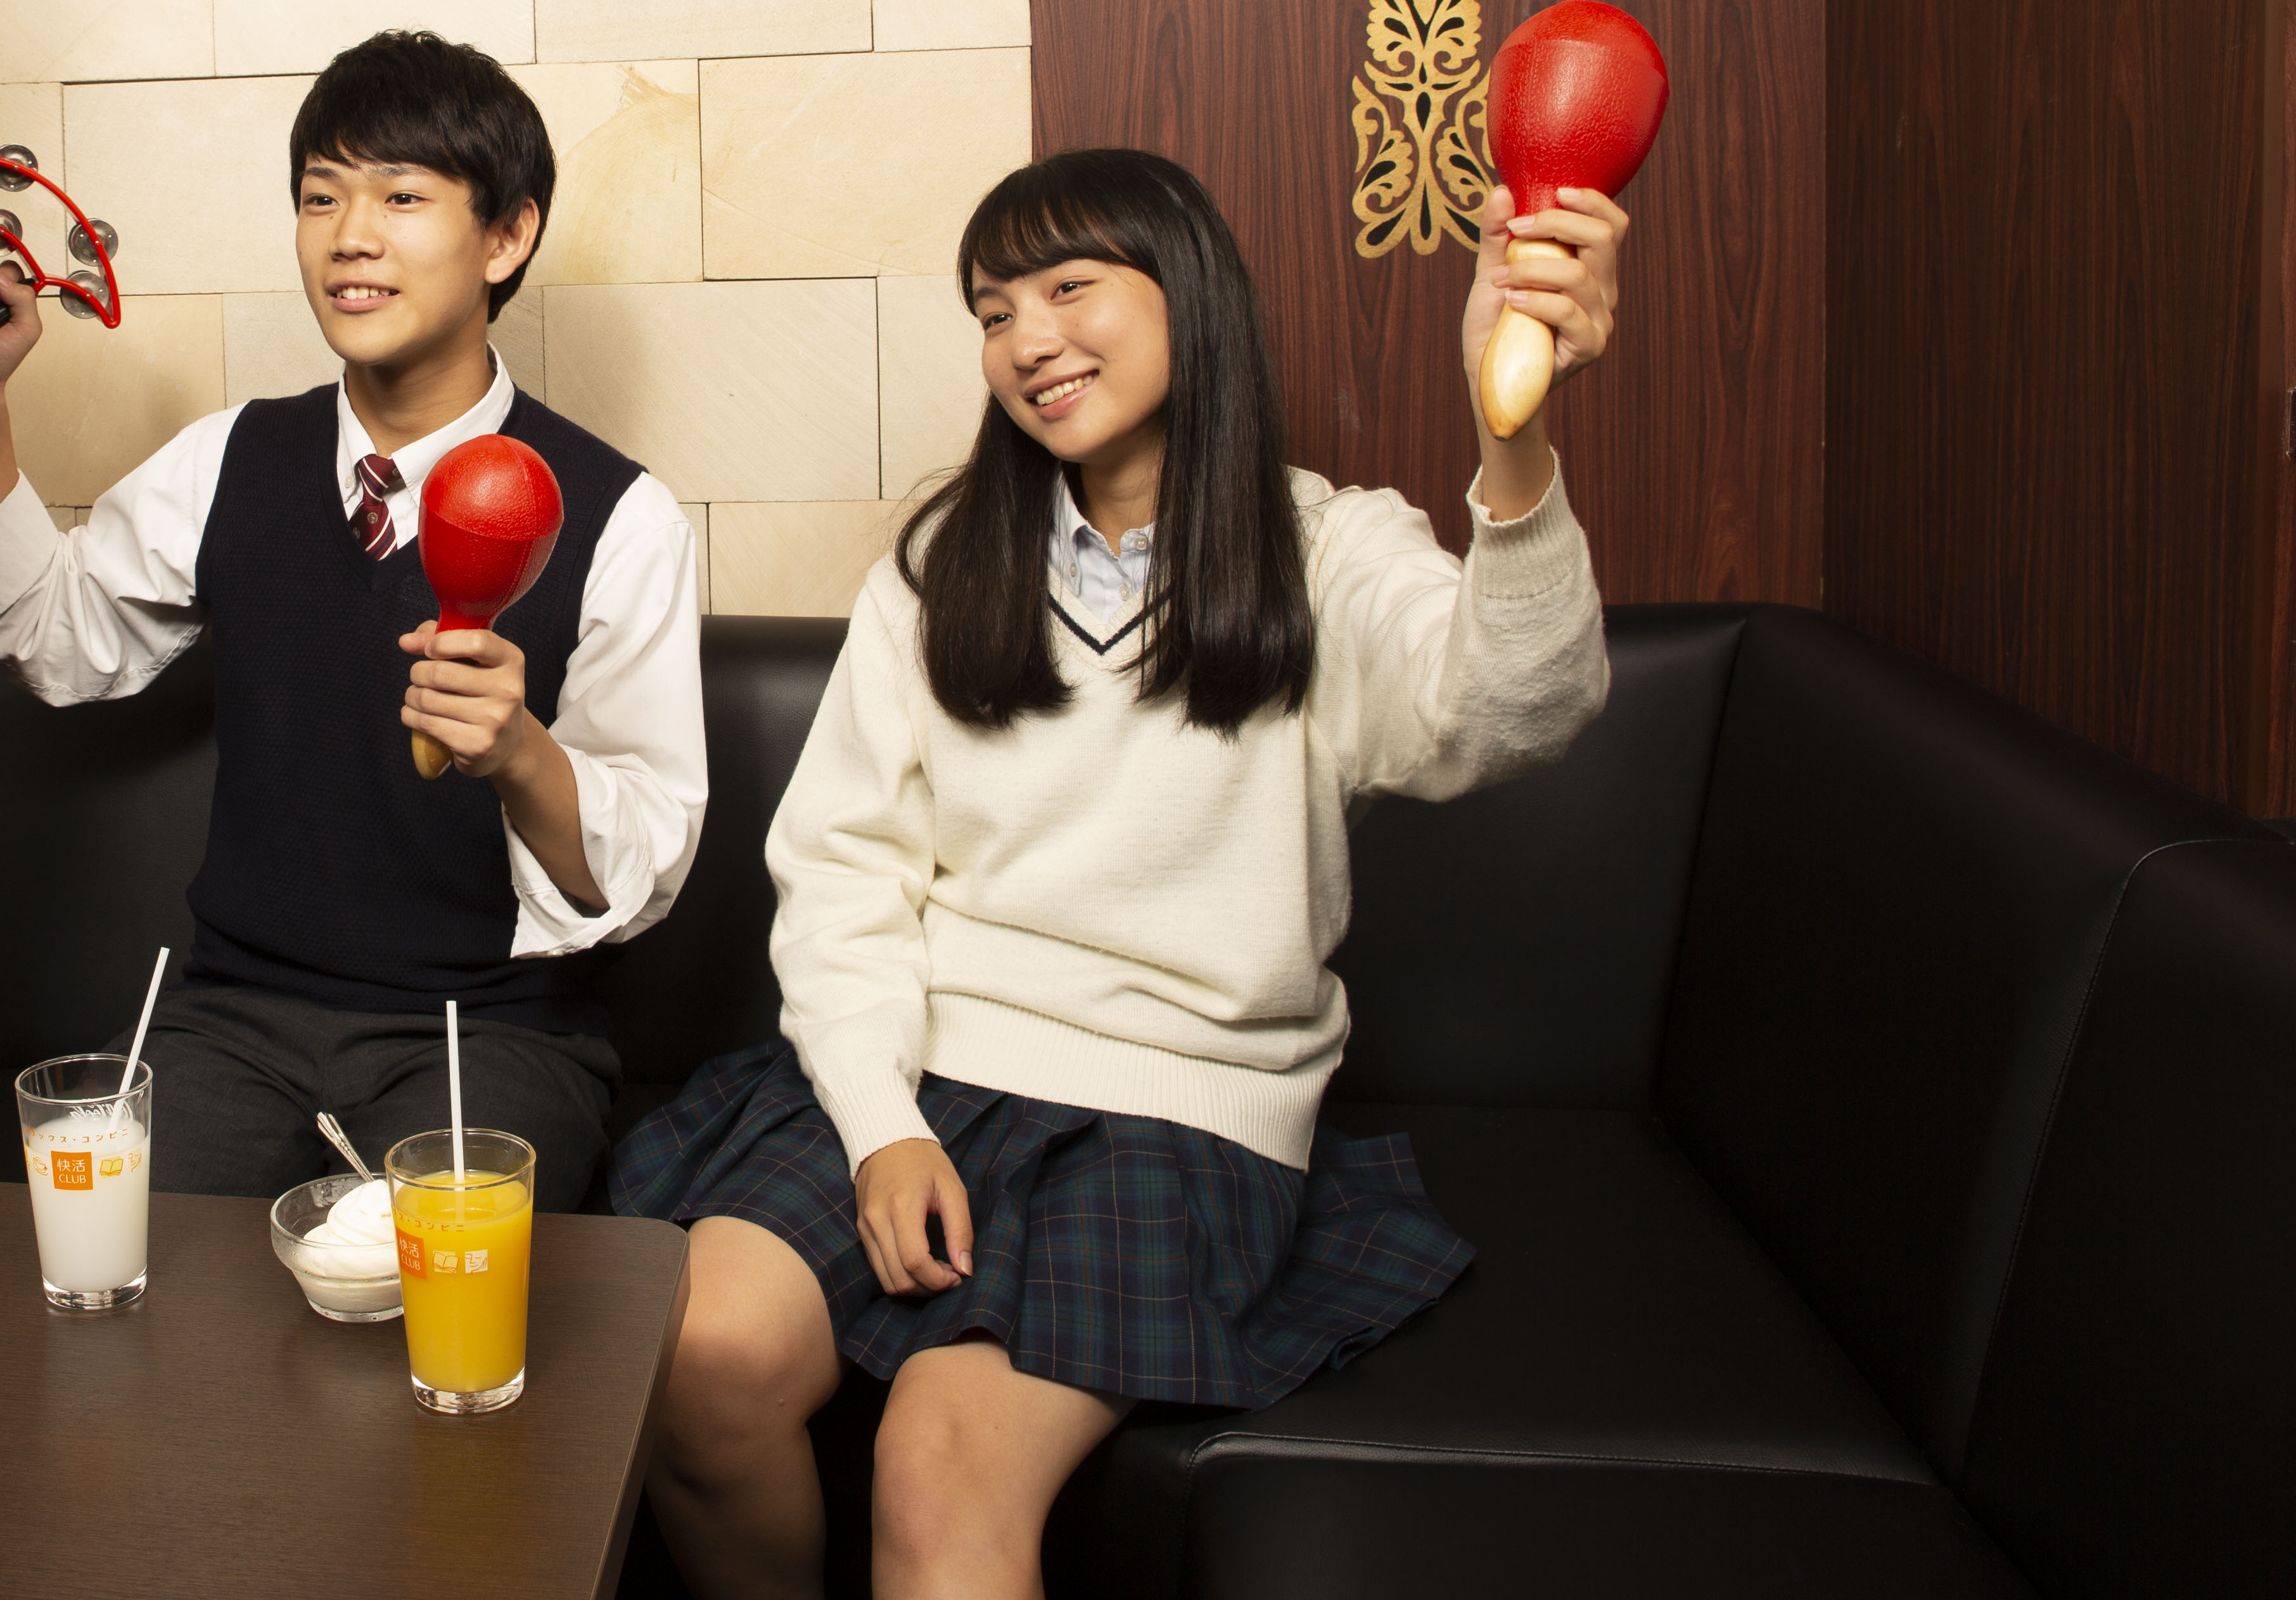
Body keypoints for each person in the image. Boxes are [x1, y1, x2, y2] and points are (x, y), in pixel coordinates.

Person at [620, 148, 1627, 1599]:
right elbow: (843, 872)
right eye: (992, 311)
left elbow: (1518, 710)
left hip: (1176, 1113)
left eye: (1067, 289)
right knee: (703, 1359)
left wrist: (1510, 433)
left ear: (1186, 293)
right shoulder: (941, 562)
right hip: (925, 1065)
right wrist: (881, 1126)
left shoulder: (1328, 550)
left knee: (936, 1473)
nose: (1026, 339)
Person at [0, 32, 706, 1200]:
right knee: (108, 1270)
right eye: (321, 196)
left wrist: (519, 752)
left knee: (416, 1283)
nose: (350, 237)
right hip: (233, 1019)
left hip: (489, 1032)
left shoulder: (621, 516)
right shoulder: (232, 459)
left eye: (402, 197)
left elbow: (634, 876)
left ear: (506, 236)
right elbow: (47, 640)